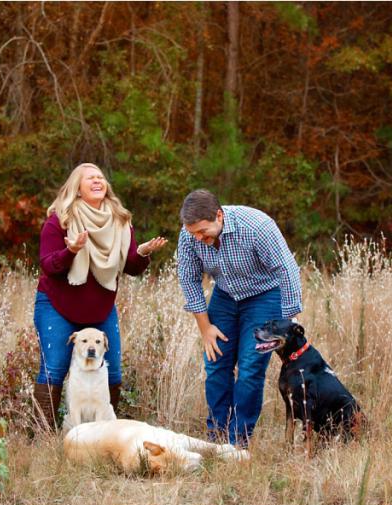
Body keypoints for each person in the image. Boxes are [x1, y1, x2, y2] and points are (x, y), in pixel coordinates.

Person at [33, 163, 167, 430]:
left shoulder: (119, 221)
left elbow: (129, 267)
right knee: (55, 370)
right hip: (57, 305)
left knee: (114, 371)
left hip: (100, 309)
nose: (97, 181)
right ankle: (44, 437)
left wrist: (141, 253)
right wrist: (70, 251)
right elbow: (49, 265)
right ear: (78, 189)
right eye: (90, 178)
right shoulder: (60, 220)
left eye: (101, 177)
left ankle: (102, 434)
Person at [176, 189, 302, 447]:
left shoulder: (257, 226)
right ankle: (216, 439)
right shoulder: (189, 235)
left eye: (203, 232)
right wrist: (205, 328)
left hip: (264, 297)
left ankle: (237, 443)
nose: (199, 238)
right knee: (215, 364)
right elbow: (189, 279)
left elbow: (286, 269)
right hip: (224, 296)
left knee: (249, 368)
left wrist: (289, 323)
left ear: (219, 216)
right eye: (193, 233)